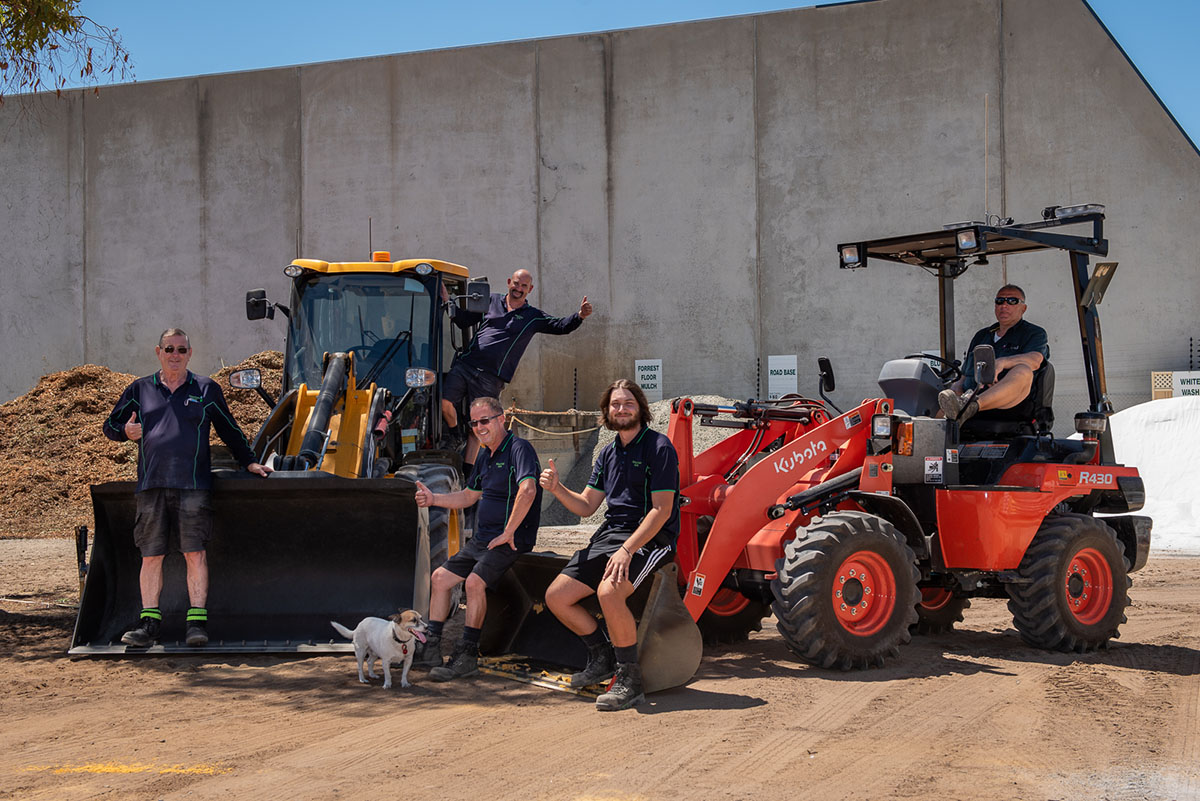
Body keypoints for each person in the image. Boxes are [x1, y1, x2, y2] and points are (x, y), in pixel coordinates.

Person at [103, 329, 271, 647]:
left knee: (194, 553)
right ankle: (149, 625)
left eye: (181, 349)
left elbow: (229, 429)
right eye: (169, 348)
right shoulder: (139, 389)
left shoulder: (206, 389)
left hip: (193, 487)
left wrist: (249, 461)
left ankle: (196, 625)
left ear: (190, 353)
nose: (175, 354)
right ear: (158, 352)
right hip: (151, 486)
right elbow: (109, 426)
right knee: (151, 556)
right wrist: (125, 431)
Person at [539, 379, 680, 712]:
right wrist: (558, 489)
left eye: (627, 403)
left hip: (650, 538)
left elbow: (662, 510)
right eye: (615, 404)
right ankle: (601, 657)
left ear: (640, 408)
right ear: (606, 412)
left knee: (608, 592)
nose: (621, 409)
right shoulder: (607, 452)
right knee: (557, 597)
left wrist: (628, 549)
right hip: (610, 535)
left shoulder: (659, 447)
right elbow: (587, 505)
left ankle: (630, 679)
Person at [413, 396, 542, 680]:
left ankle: (468, 654)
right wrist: (434, 498)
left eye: (485, 420)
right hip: (483, 540)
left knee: (473, 582)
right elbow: (469, 496)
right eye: (474, 423)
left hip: (511, 539)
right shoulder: (485, 454)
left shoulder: (519, 449)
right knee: (439, 579)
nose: (480, 427)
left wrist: (509, 531)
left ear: (501, 419)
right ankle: (431, 647)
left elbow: (529, 490)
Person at [442, 268, 592, 465]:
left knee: (479, 425)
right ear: (508, 282)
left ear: (530, 289)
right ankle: (454, 436)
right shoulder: (491, 301)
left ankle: (469, 474)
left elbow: (560, 326)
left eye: (523, 286)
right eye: (516, 284)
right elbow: (463, 321)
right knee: (444, 401)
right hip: (467, 366)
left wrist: (579, 316)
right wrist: (446, 299)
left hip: (491, 378)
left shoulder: (532, 316)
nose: (518, 289)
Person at [938, 284, 1049, 425]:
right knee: (932, 407)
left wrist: (1002, 362)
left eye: (1012, 301)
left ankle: (972, 407)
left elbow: (1035, 360)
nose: (1004, 305)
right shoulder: (982, 336)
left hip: (1008, 405)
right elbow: (965, 375)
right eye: (1000, 301)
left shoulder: (1033, 333)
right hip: (967, 398)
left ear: (1023, 308)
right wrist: (956, 389)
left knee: (1023, 370)